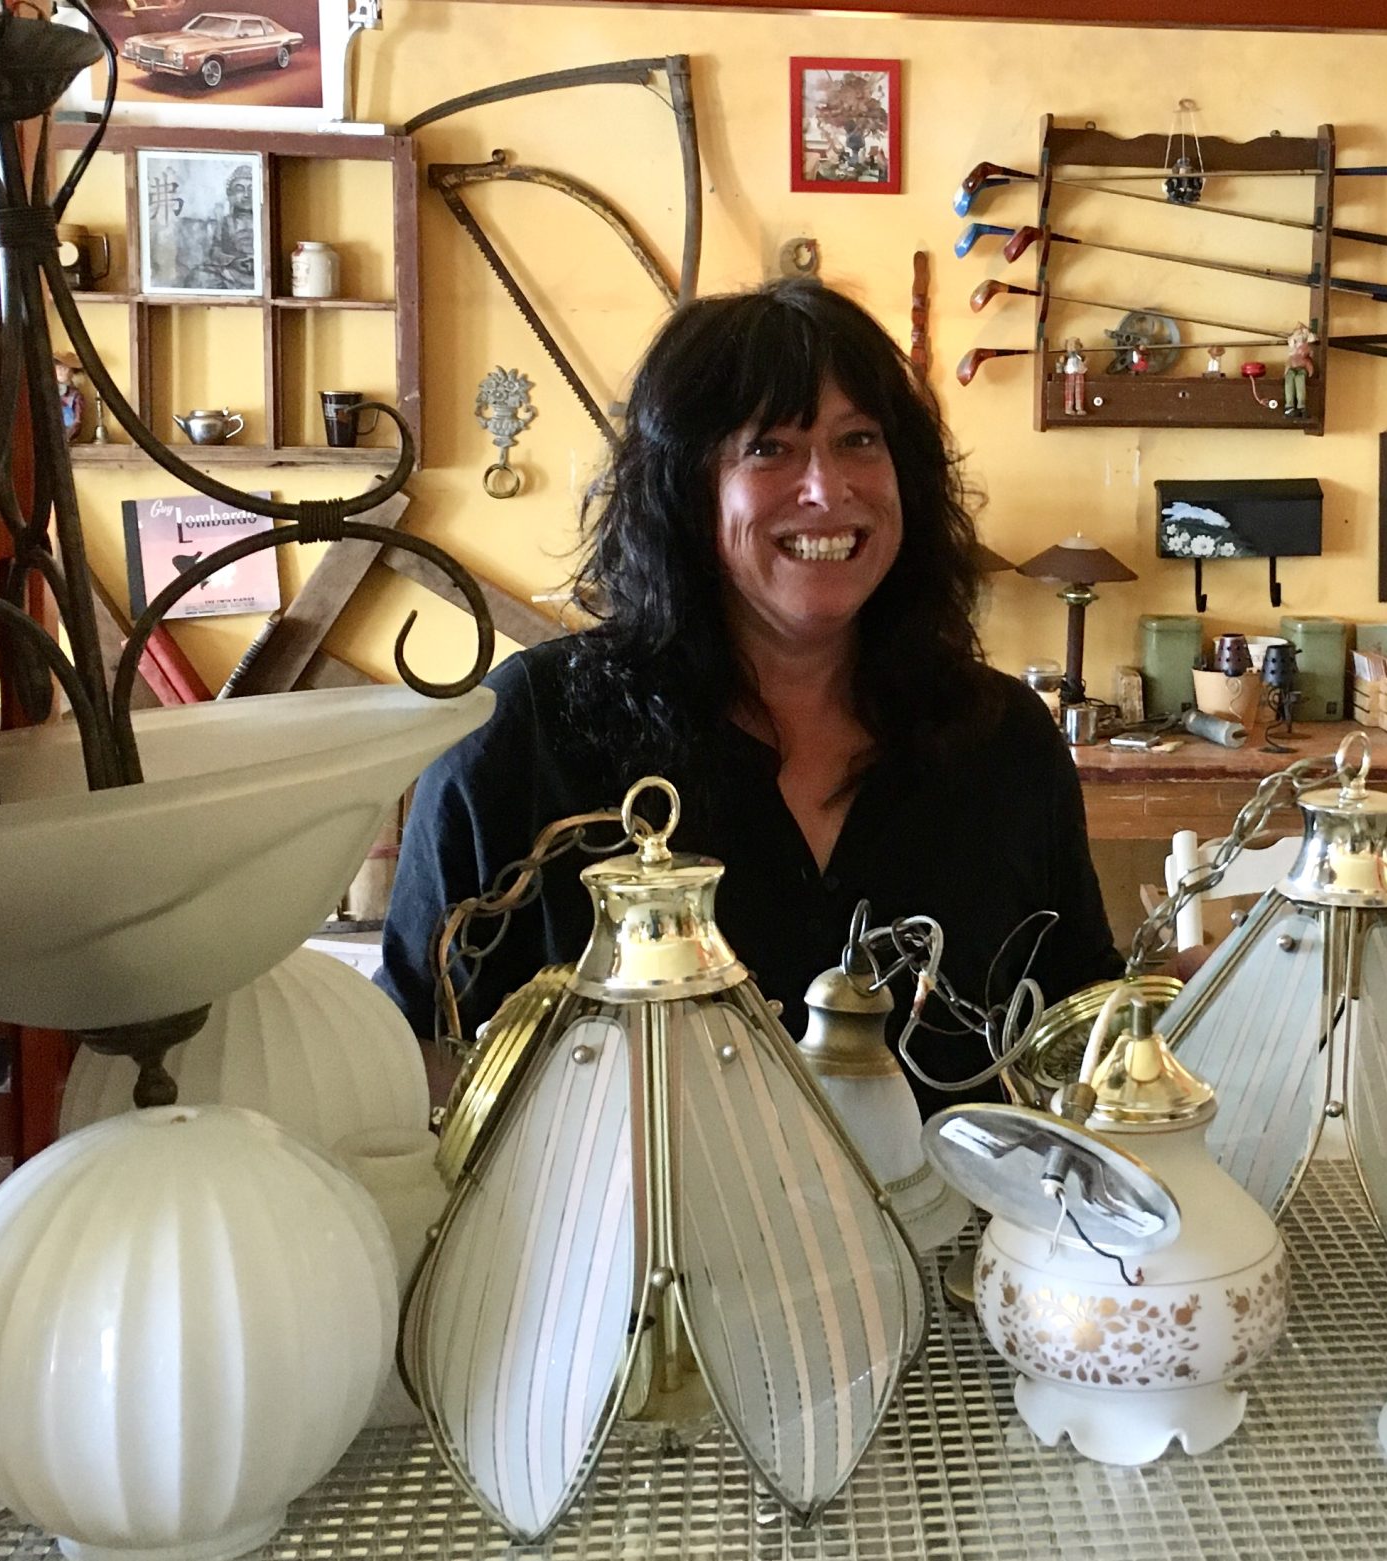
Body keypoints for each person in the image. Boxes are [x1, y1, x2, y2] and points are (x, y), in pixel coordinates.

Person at [377, 280, 1121, 1116]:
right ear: (684, 490)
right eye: (770, 448)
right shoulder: (528, 734)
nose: (827, 489)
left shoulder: (1004, 739)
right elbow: (417, 1047)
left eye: (859, 440)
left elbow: (1080, 1030)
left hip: (959, 1206)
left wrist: (1181, 1013)